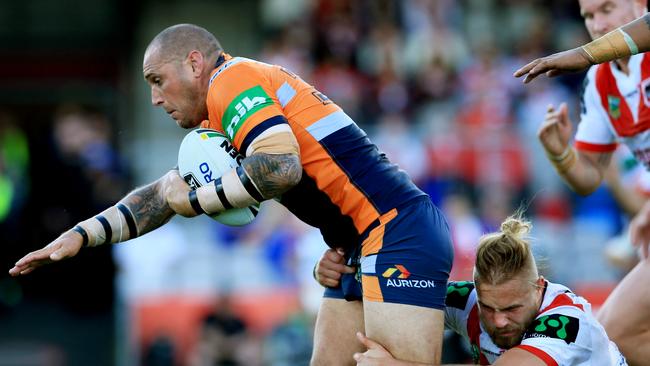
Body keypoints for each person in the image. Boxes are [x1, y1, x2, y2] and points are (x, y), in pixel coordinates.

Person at [8, 24, 454, 365]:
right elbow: (161, 196)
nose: (153, 99)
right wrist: (82, 235)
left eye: (157, 80)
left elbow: (280, 167)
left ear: (195, 62)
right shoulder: (217, 123)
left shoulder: (232, 78)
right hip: (357, 244)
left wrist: (198, 201)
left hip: (396, 231)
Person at [513, 1, 650, 365]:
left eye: (606, 9)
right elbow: (588, 176)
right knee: (616, 334)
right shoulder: (601, 83)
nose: (597, 23)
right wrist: (560, 153)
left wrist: (583, 54)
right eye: (588, 16)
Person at [315, 215, 628, 365]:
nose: (499, 320)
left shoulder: (566, 322)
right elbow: (386, 292)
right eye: (489, 308)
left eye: (512, 309)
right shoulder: (469, 301)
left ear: (538, 289)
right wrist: (335, 272)